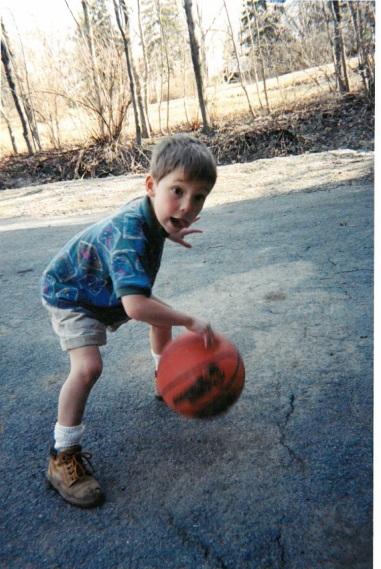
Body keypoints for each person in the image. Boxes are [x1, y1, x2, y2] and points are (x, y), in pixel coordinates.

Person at [41, 134, 217, 508]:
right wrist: (190, 320)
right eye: (178, 191)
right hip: (73, 293)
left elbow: (142, 290)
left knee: (160, 316)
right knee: (88, 367)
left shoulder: (152, 213)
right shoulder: (127, 235)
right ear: (151, 185)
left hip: (102, 285)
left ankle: (164, 379)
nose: (187, 206)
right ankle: (62, 455)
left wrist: (170, 229)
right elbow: (136, 307)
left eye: (198, 197)